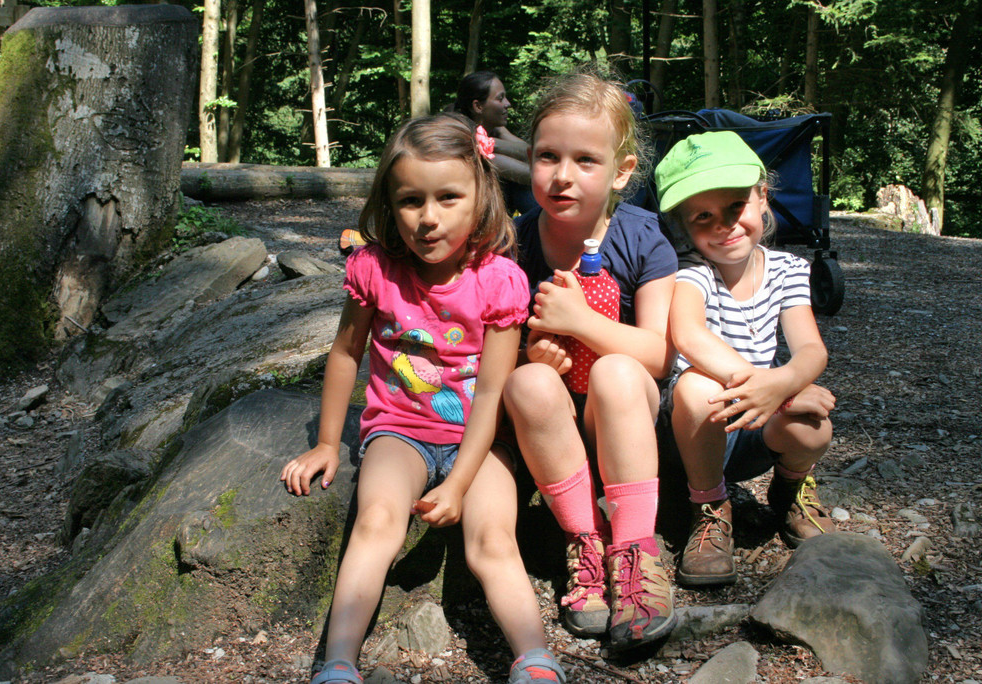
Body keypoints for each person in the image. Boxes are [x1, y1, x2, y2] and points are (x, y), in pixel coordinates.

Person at [281, 115, 566, 684]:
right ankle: (338, 663)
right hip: (400, 431)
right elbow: (346, 352)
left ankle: (535, 658)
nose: (428, 217)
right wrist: (328, 443)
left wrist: (458, 483)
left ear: (480, 197)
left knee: (492, 539)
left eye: (447, 197)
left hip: (482, 441)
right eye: (411, 200)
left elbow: (492, 390)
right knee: (376, 521)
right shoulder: (375, 269)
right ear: (390, 204)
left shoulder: (499, 279)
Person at [502, 72, 679, 650]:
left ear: (621, 172)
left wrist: (581, 323)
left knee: (616, 369)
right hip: (550, 424)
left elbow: (658, 354)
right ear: (530, 160)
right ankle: (585, 540)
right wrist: (531, 354)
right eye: (548, 157)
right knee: (528, 381)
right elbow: (492, 354)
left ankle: (635, 550)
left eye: (585, 160)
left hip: (621, 416)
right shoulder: (514, 244)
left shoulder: (644, 239)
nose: (563, 175)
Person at [654, 130, 836, 588]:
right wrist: (774, 389)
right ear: (684, 225)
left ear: (762, 197)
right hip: (694, 431)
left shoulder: (788, 270)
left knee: (814, 427)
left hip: (755, 423)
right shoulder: (690, 271)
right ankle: (709, 507)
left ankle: (790, 488)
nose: (724, 225)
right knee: (698, 386)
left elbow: (811, 349)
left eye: (736, 206)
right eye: (703, 216)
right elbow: (688, 334)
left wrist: (784, 386)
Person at [453, 70, 536, 215]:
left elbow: (529, 153)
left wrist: (493, 142)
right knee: (520, 185)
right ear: (478, 106)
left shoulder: (494, 128)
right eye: (500, 99)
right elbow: (529, 175)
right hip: (476, 216)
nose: (508, 104)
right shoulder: (464, 136)